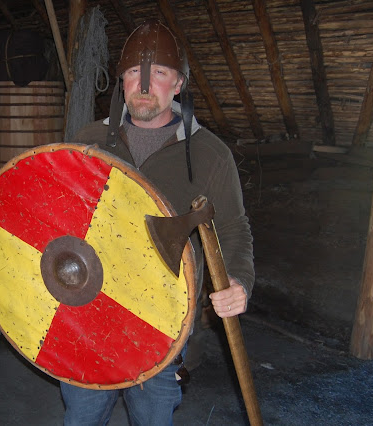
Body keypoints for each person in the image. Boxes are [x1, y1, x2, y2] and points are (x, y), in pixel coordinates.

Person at [66, 19, 255, 425]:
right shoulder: (87, 141)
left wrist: (238, 281)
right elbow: (58, 217)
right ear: (122, 81)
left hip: (163, 324)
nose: (145, 83)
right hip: (89, 316)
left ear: (179, 84)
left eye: (160, 73)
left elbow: (233, 228)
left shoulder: (210, 154)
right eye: (135, 71)